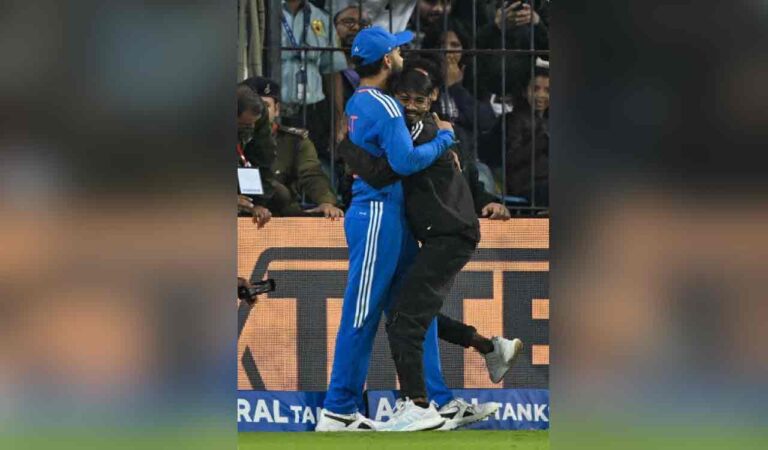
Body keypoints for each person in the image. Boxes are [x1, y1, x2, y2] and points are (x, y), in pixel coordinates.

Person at [315, 26, 454, 432]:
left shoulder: (359, 101)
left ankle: (429, 402)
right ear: (387, 60)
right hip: (378, 212)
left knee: (414, 309)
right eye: (397, 50)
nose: (402, 55)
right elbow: (406, 162)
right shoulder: (387, 106)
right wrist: (444, 140)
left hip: (384, 213)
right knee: (361, 311)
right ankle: (338, 408)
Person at [404, 56, 509, 219]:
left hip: (451, 222)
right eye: (410, 83)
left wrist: (488, 203)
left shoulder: (447, 131)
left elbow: (470, 184)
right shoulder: (394, 132)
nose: (416, 88)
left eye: (422, 83)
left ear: (433, 93)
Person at [241, 76, 344, 218]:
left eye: (265, 106)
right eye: (253, 106)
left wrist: (326, 202)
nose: (259, 112)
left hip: (281, 214)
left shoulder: (293, 141)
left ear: (277, 109)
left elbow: (311, 175)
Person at [279, 0, 348, 160]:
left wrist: (338, 120)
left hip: (313, 112)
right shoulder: (266, 13)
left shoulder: (321, 18)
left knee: (312, 164)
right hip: (276, 109)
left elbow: (332, 71)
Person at [504, 67, 549, 207]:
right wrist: (543, 139)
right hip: (527, 184)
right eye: (535, 89)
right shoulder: (514, 119)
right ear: (524, 92)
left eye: (548, 90)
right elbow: (512, 158)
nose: (541, 95)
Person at [236, 86, 274, 227]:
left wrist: (257, 204)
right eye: (245, 125)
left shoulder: (259, 116)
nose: (251, 127)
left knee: (282, 196)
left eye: (254, 123)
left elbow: (263, 157)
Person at [334, 5, 371, 104]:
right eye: (348, 22)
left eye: (363, 24)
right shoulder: (325, 68)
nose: (356, 27)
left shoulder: (377, 68)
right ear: (334, 28)